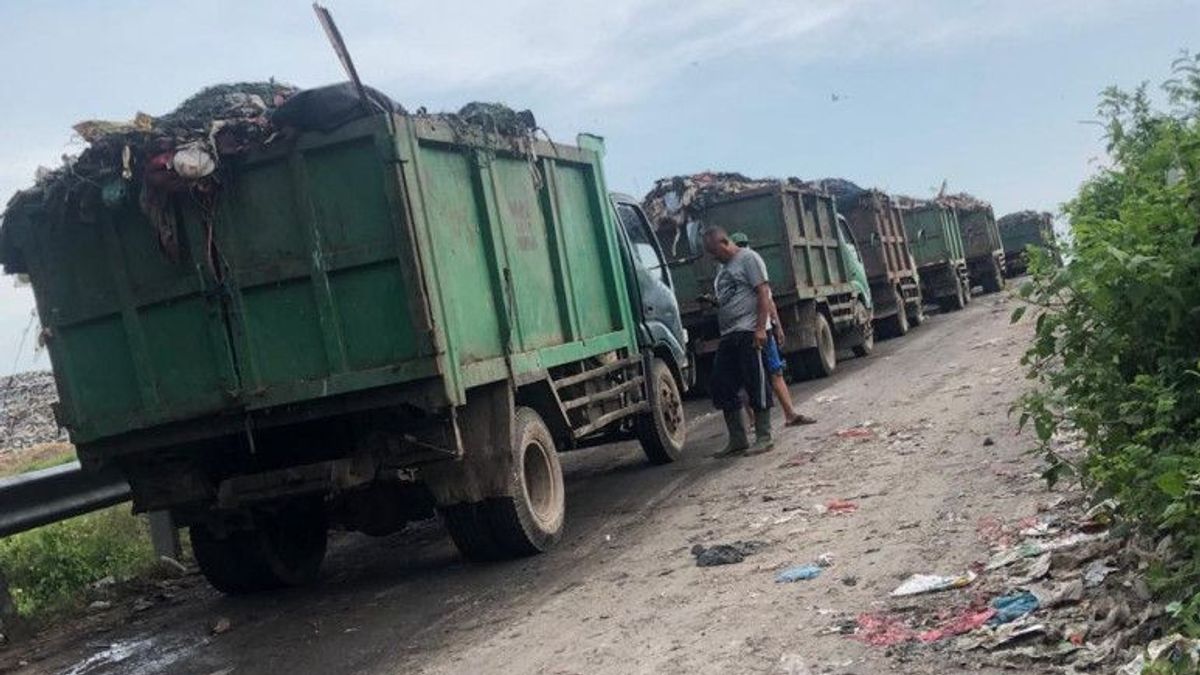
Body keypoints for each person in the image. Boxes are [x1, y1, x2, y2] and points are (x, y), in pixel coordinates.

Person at [729, 232, 817, 428]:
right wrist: (775, 325)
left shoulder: (730, 271)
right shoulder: (751, 266)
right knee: (771, 373)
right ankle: (784, 416)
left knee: (755, 376)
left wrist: (775, 325)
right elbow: (767, 299)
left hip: (749, 330)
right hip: (758, 330)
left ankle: (759, 420)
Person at [702, 226, 775, 457]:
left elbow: (763, 292)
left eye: (715, 251)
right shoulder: (723, 268)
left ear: (725, 242)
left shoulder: (748, 258)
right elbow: (731, 296)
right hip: (729, 333)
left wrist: (761, 328)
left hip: (750, 330)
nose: (714, 257)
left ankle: (764, 436)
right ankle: (738, 438)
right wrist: (714, 302)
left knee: (756, 381)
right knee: (720, 383)